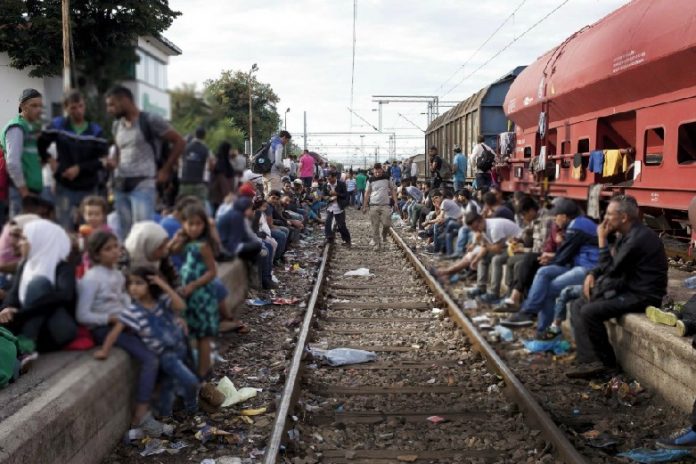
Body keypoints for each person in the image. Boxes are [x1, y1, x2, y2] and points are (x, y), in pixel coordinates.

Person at [76, 231, 171, 436]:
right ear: (96, 254)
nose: (114, 252)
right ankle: (140, 416)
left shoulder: (117, 274)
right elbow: (82, 315)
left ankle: (155, 401)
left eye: (116, 247)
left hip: (124, 323)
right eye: (107, 249)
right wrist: (109, 318)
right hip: (104, 329)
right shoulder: (91, 278)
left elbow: (125, 301)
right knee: (150, 359)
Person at [566, 195, 667, 379]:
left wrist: (601, 240)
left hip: (643, 295)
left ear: (624, 217)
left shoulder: (638, 239)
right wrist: (592, 273)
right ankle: (589, 359)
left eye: (609, 214)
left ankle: (609, 366)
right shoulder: (627, 235)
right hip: (628, 288)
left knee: (589, 311)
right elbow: (609, 265)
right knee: (578, 304)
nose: (605, 219)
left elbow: (611, 270)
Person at [94, 267, 200, 419]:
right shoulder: (132, 311)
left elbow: (180, 305)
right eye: (131, 283)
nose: (133, 287)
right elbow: (115, 333)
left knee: (168, 385)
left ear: (151, 285)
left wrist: (163, 285)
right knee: (191, 381)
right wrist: (105, 351)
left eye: (139, 283)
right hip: (166, 356)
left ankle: (166, 415)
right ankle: (192, 409)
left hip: (181, 348)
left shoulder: (161, 301)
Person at [502, 198, 599, 337]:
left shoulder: (577, 225)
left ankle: (533, 319)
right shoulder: (577, 223)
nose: (554, 221)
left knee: (548, 288)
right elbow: (565, 254)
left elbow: (563, 256)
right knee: (544, 272)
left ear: (564, 216)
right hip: (577, 266)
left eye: (555, 217)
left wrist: (552, 258)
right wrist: (552, 257)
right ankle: (533, 320)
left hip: (589, 270)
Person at [105, 85, 185, 240]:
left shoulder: (150, 120)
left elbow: (180, 142)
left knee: (142, 232)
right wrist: (113, 162)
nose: (109, 110)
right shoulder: (116, 125)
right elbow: (119, 150)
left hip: (143, 183)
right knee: (125, 233)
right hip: (121, 184)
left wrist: (166, 170)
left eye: (112, 104)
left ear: (125, 100)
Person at [0, 219, 77, 352]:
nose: (20, 243)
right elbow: (13, 294)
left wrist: (21, 312)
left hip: (57, 329)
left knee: (38, 283)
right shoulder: (25, 265)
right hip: (33, 326)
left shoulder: (62, 267)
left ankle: (27, 341)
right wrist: (6, 310)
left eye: (24, 239)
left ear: (41, 240)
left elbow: (64, 296)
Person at [38, 90, 108, 230]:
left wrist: (79, 168)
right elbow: (40, 143)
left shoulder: (96, 131)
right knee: (63, 227)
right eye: (73, 108)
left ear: (85, 105)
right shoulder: (58, 125)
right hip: (64, 186)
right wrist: (49, 159)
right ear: (66, 108)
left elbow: (102, 160)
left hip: (89, 187)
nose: (78, 111)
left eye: (81, 106)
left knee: (89, 228)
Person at [168, 204, 218, 380]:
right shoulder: (188, 242)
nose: (194, 228)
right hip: (190, 295)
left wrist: (193, 285)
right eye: (190, 224)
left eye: (198, 224)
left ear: (204, 225)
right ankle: (203, 368)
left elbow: (212, 272)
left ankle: (204, 372)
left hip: (201, 295)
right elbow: (169, 250)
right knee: (195, 332)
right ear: (183, 224)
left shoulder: (203, 246)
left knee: (203, 335)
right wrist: (177, 236)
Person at [0, 89, 46, 219]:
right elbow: (13, 163)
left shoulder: (31, 128)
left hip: (32, 191)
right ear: (22, 107)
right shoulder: (16, 127)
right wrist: (24, 192)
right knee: (21, 228)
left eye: (40, 106)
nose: (38, 110)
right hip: (22, 194)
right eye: (34, 106)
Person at [217, 196, 275, 289]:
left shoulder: (241, 217)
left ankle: (266, 279)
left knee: (265, 248)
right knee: (261, 250)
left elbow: (248, 235)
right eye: (249, 209)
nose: (251, 211)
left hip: (237, 244)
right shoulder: (233, 217)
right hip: (229, 248)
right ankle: (262, 281)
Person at [363, 163, 397, 251]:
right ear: (373, 171)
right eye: (376, 172)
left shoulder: (387, 178)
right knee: (375, 226)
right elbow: (367, 193)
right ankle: (377, 244)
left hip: (385, 205)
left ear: (382, 170)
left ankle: (384, 234)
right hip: (373, 205)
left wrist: (395, 202)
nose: (377, 174)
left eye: (379, 172)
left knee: (387, 224)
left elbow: (393, 190)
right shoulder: (370, 180)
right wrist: (364, 205)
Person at [179, 127, 213, 207]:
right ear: (204, 136)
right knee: (199, 207)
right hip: (199, 183)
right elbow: (211, 165)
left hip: (185, 182)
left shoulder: (186, 147)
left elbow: (180, 161)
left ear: (195, 134)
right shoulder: (206, 149)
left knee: (183, 205)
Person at [323, 171, 351, 247]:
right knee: (327, 222)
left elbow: (346, 195)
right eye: (328, 179)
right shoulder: (326, 185)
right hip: (330, 206)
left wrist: (337, 194)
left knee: (341, 225)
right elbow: (324, 195)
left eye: (330, 179)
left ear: (335, 177)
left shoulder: (341, 184)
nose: (329, 180)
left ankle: (347, 240)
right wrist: (328, 197)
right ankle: (329, 238)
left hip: (339, 207)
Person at [209, 142, 236, 214]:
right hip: (220, 197)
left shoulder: (223, 162)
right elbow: (223, 182)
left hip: (220, 197)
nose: (231, 152)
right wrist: (228, 194)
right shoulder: (221, 164)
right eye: (230, 150)